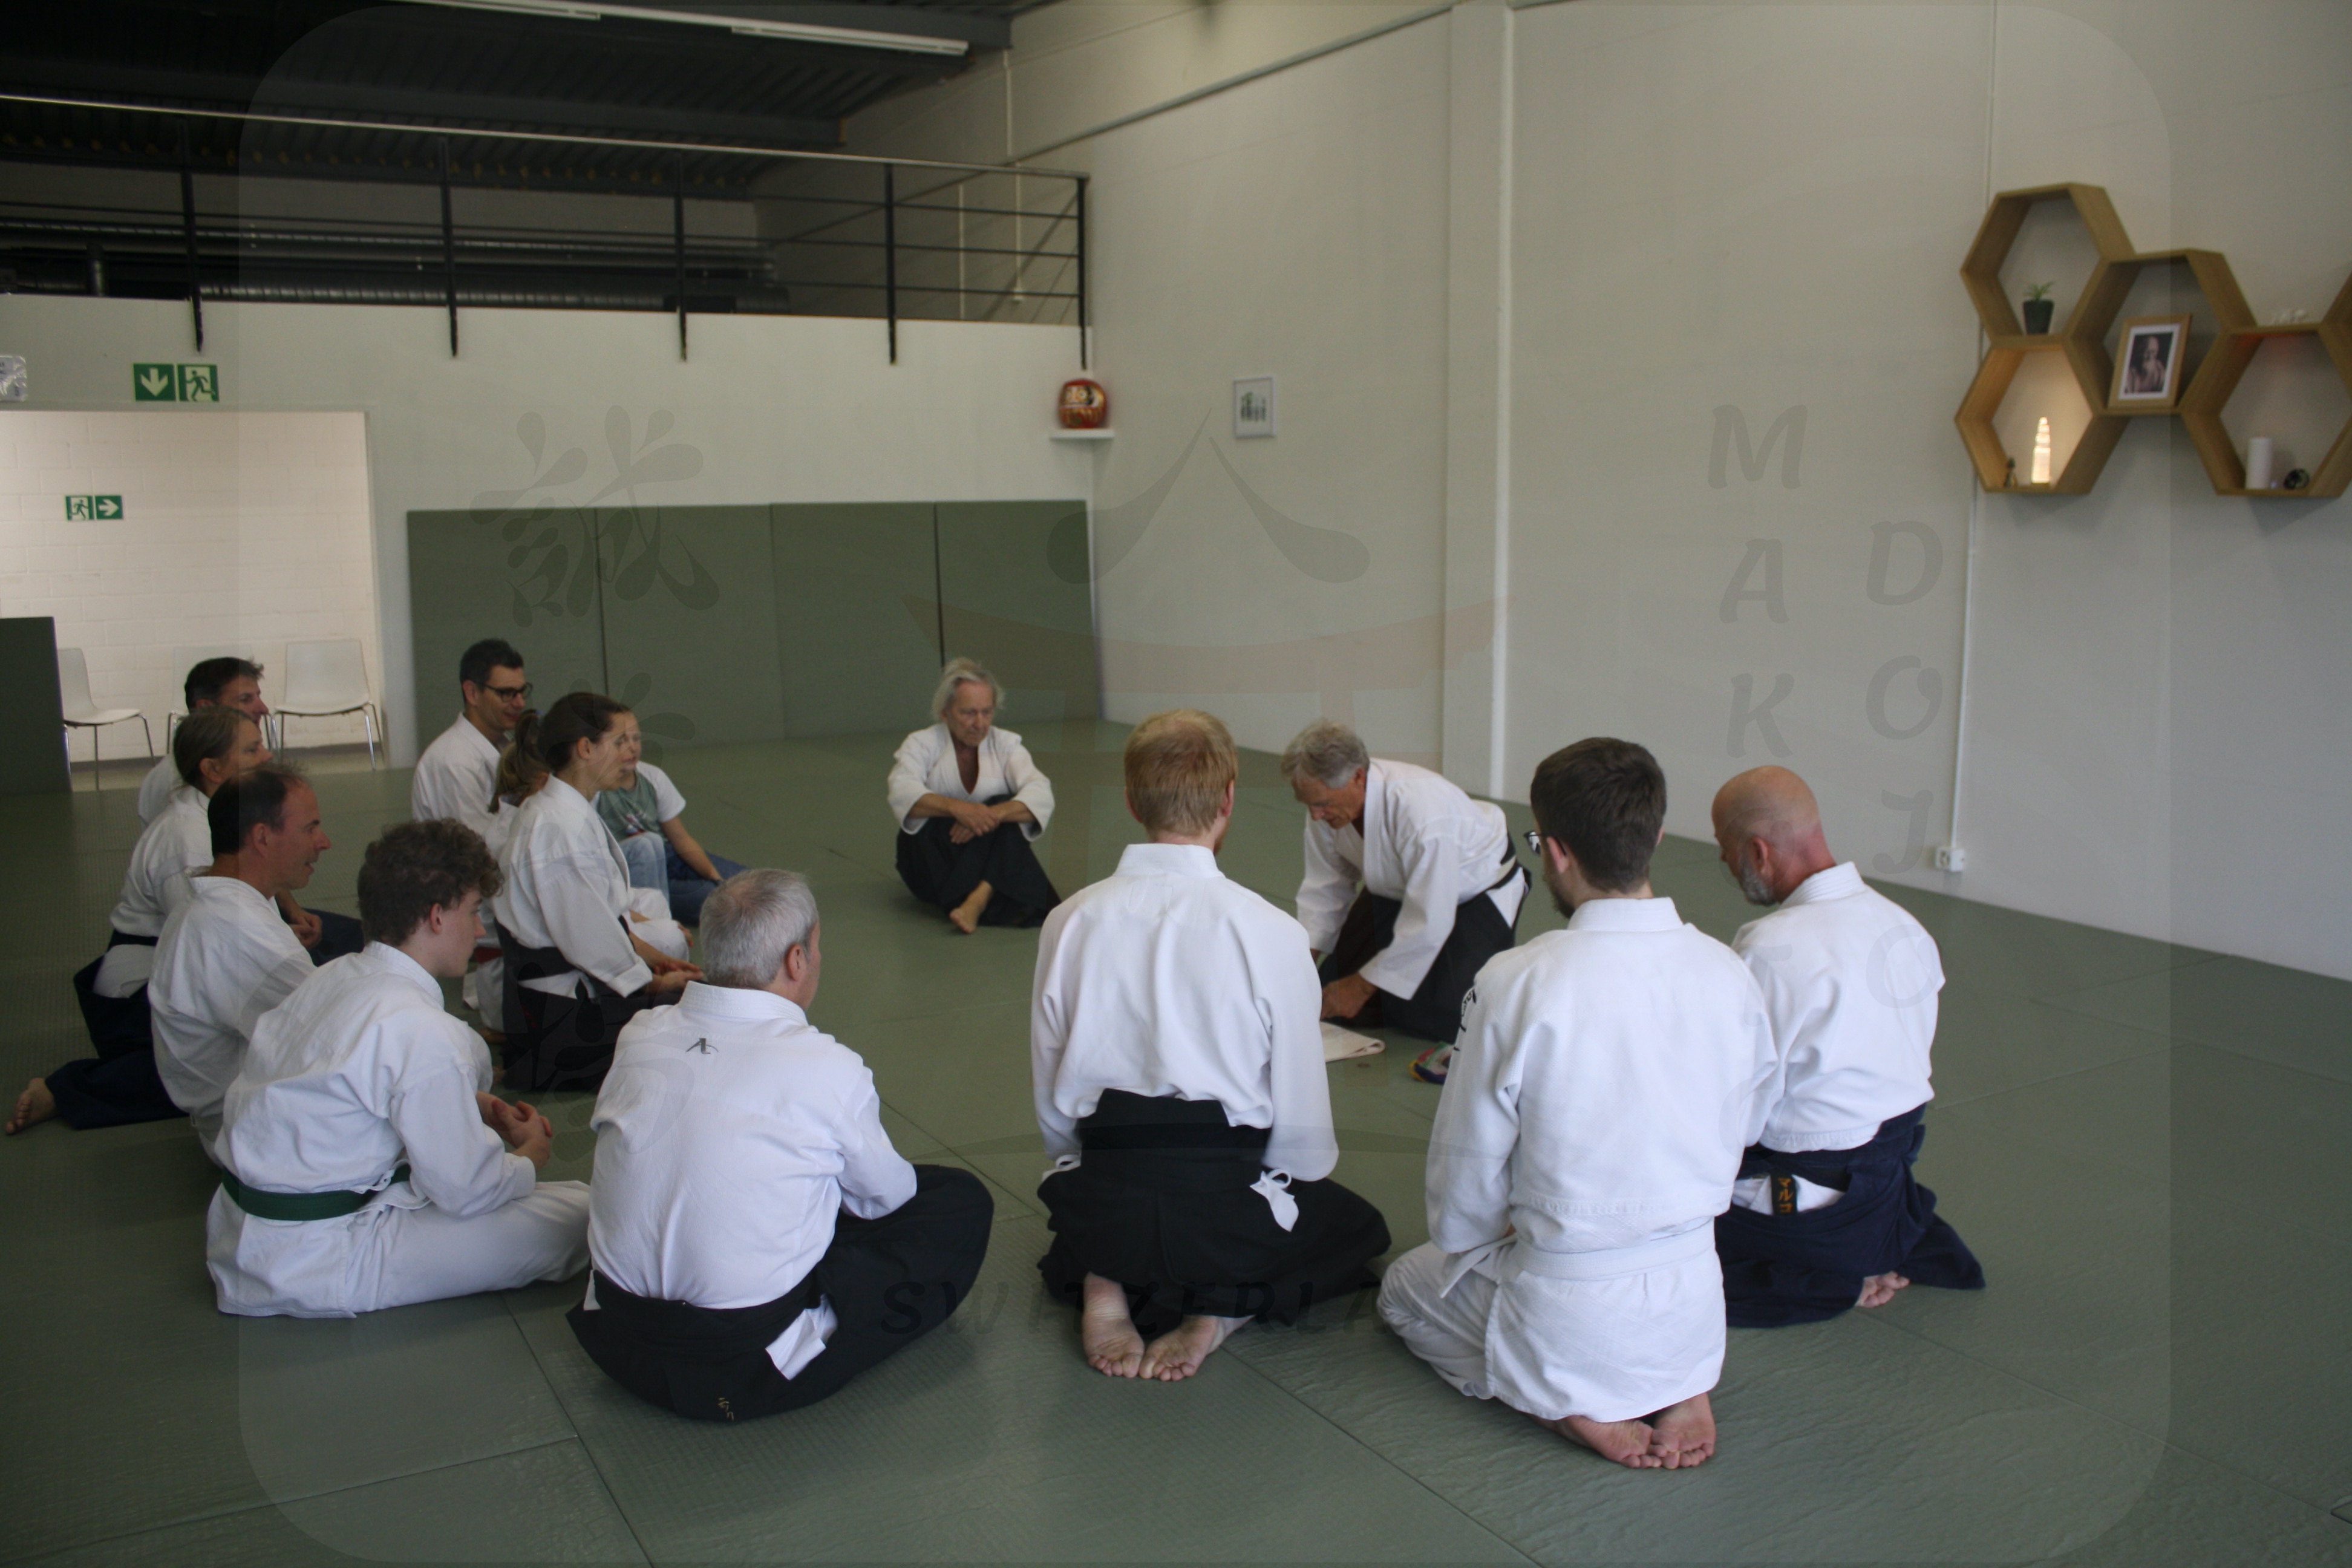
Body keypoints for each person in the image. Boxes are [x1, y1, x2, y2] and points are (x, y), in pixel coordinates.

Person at [1379, 737, 1777, 1471]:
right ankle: (1681, 1385)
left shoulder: (1517, 979)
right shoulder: (1729, 971)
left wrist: (1484, 1231)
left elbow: (1465, 1178)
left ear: (1557, 852)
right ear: (1656, 837)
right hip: (1692, 1297)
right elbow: (1752, 1121)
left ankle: (1563, 1405)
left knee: (1404, 1288)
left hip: (1569, 1305)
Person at [1032, 710, 1389, 1382]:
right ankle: (1221, 1309)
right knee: (1356, 1230)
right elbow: (1303, 1143)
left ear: (1132, 800)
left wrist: (1081, 1170)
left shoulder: (1068, 920)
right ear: (1228, 800)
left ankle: (1103, 1278)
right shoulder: (1271, 931)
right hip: (1221, 1201)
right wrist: (1272, 1184)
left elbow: (1054, 1096)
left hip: (1106, 1195)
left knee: (1113, 1220)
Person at [569, 869, 994, 1422]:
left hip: (615, 1342)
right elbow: (887, 1201)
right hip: (741, 1369)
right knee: (956, 1202)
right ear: (797, 960)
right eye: (816, 948)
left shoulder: (640, 1034)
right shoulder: (827, 1067)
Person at [206, 819, 592, 1318]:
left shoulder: (334, 976)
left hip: (247, 1236)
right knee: (583, 1215)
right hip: (324, 1255)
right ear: (437, 916)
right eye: (474, 911)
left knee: (566, 1200)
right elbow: (465, 1191)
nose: (479, 930)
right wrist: (530, 1157)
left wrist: (469, 1105)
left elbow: (350, 1086)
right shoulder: (420, 1027)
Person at [1708, 766, 1985, 1325]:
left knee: (1643, 1248)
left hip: (1805, 1193)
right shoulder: (1904, 926)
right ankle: (1869, 1249)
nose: (1724, 863)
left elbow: (1739, 1117)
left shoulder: (1770, 948)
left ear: (1758, 852)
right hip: (1884, 1185)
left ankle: (1829, 1279)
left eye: (1726, 849)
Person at [10, 710, 270, 1137]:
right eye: (252, 749)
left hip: (180, 968)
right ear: (212, 768)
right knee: (216, 1073)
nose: (267, 756)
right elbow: (208, 940)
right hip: (139, 993)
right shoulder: (188, 840)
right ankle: (67, 1090)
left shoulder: (219, 812)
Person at [1280, 719, 1528, 1081]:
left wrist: (1361, 985)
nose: (1316, 815)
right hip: (1393, 886)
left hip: (1472, 891)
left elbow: (1431, 917)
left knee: (1452, 1015)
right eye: (1309, 805)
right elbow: (1326, 888)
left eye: (1323, 804)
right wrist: (1299, 968)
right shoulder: (1323, 809)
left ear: (1358, 778)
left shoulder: (1421, 809)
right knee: (1328, 993)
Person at [494, 694, 698, 1093]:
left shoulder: (562, 810)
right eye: (619, 742)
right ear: (585, 748)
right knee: (703, 1020)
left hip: (562, 1001)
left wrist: (658, 962)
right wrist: (651, 984)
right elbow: (589, 940)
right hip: (564, 1024)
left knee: (699, 999)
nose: (630, 753)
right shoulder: (558, 828)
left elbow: (603, 922)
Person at [150, 769, 339, 1162]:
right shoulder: (243, 933)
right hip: (262, 1134)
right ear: (262, 838)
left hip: (238, 1115)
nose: (324, 842)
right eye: (310, 828)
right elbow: (339, 1040)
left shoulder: (213, 901)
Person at [887, 658, 1059, 933]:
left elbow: (1040, 792)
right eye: (968, 713)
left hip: (986, 846)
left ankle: (977, 899)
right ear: (945, 712)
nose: (979, 723)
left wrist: (989, 815)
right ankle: (992, 891)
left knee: (1004, 808)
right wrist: (957, 809)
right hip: (931, 855)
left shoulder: (1005, 744)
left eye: (987, 712)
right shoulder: (921, 744)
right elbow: (902, 790)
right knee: (1025, 891)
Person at [412, 640, 531, 1035]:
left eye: (522, 692)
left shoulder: (503, 747)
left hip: (495, 874)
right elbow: (477, 851)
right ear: (472, 692)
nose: (518, 703)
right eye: (506, 693)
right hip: (465, 889)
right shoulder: (454, 760)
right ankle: (497, 1018)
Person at [593, 716, 744, 927]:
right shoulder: (594, 789)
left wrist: (716, 878)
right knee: (720, 903)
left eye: (636, 739)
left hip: (667, 857)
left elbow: (680, 838)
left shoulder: (652, 776)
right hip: (629, 871)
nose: (632, 748)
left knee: (745, 883)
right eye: (621, 741)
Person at [137, 656, 271, 825]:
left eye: (258, 696)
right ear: (206, 708)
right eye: (245, 699)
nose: (263, 709)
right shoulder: (175, 783)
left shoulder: (220, 769)